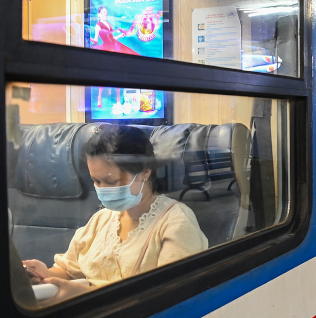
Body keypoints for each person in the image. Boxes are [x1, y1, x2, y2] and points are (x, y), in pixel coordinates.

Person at [23, 125, 209, 305]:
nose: (103, 189)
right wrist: (45, 275)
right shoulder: (101, 219)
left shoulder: (176, 222)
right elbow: (69, 270)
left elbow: (170, 294)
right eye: (96, 181)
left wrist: (86, 294)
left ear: (144, 172)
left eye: (111, 182)